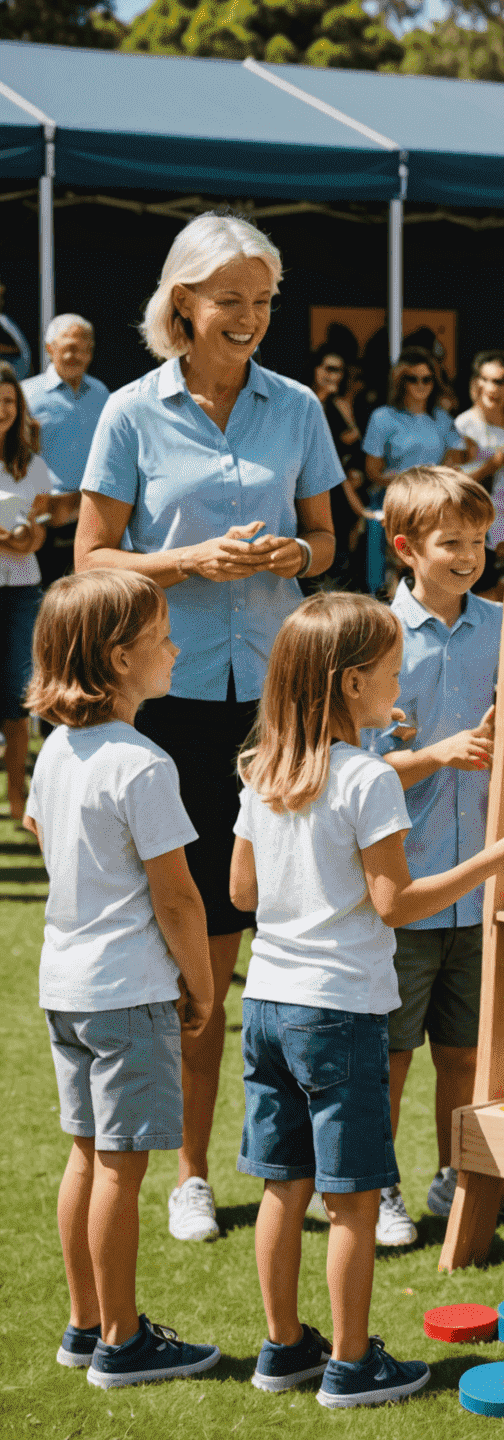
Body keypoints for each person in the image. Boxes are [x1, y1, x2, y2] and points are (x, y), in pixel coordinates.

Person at [76, 211, 344, 1244]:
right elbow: (94, 558)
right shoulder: (130, 415)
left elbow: (327, 541)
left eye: (263, 298)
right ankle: (191, 1173)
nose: (250, 316)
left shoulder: (299, 408)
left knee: (311, 941)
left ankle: (310, 1165)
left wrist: (293, 561)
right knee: (204, 957)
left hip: (283, 701)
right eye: (229, 297)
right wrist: (187, 564)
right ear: (181, 302)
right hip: (176, 708)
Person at [230, 593, 504, 1406]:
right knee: (353, 1201)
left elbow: (242, 890)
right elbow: (396, 904)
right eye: (389, 671)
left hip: (267, 1002)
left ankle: (283, 1351)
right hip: (338, 1012)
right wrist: (493, 862)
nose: (400, 683)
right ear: (348, 686)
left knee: (283, 1184)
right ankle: (350, 1363)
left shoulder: (263, 770)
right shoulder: (368, 777)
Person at [23, 570, 221, 1388]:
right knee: (119, 1168)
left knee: (85, 1158)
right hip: (126, 989)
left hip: (66, 984)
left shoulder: (57, 751)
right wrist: (203, 985)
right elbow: (177, 894)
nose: (177, 646)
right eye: (163, 634)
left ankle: (85, 1326)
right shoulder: (142, 763)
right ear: (116, 656)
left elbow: (40, 832)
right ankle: (122, 1340)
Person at [357, 468, 502, 1245]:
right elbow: (348, 770)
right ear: (408, 548)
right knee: (391, 1055)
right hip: (402, 890)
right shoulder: (373, 637)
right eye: (454, 542)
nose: (471, 555)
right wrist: (436, 754)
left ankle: (456, 1180)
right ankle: (377, 1189)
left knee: (464, 1050)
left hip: (481, 888)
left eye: (480, 541)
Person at [0, 366, 57, 812]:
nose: (2, 411)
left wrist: (25, 540)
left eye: (8, 402)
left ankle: (17, 797)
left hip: (21, 589)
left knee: (19, 695)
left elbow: (39, 530)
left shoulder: (31, 464)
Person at [361, 353, 465, 592]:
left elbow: (457, 458)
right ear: (401, 381)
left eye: (427, 379)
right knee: (391, 575)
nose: (420, 385)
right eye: (413, 379)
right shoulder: (383, 417)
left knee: (428, 571)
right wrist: (413, 480)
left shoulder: (441, 418)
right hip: (395, 501)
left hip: (434, 504)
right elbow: (372, 471)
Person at [22, 314, 110, 588]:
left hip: (91, 510)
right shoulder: (27, 395)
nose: (77, 355)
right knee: (46, 600)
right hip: (44, 516)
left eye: (85, 349)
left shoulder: (101, 393)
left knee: (86, 597)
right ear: (50, 348)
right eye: (69, 347)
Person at [454, 350, 504, 598]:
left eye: (499, 381)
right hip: (479, 528)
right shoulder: (463, 425)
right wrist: (493, 464)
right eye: (486, 379)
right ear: (475, 383)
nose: (492, 387)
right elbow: (453, 481)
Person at [310, 346, 368, 591]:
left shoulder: (338, 405)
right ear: (315, 369)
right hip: (310, 494)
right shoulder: (301, 403)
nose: (335, 376)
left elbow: (352, 450)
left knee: (341, 569)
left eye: (340, 371)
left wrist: (357, 471)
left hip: (340, 498)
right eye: (329, 369)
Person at [0, 277, 31, 380]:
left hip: (14, 378)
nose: (2, 302)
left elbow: (16, 349)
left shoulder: (3, 321)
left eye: (1, 297)